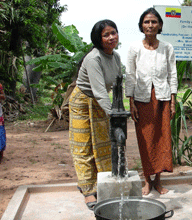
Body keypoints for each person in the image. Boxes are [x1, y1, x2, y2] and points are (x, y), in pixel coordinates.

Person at [69, 19, 121, 210]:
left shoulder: (116, 58)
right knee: (83, 146)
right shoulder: (93, 58)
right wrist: (114, 115)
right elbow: (99, 91)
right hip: (82, 101)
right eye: (106, 35)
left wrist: (119, 108)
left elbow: (116, 86)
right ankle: (88, 191)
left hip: (99, 103)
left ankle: (102, 183)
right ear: (98, 39)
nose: (111, 38)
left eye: (113, 33)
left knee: (102, 144)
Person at [125, 7, 178, 195]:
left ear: (160, 25)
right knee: (145, 140)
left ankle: (158, 180)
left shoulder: (167, 48)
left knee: (162, 138)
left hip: (163, 98)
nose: (150, 25)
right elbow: (130, 75)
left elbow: (172, 74)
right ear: (141, 25)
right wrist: (131, 102)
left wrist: (173, 101)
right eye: (147, 22)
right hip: (142, 99)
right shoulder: (134, 48)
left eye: (154, 22)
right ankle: (147, 180)